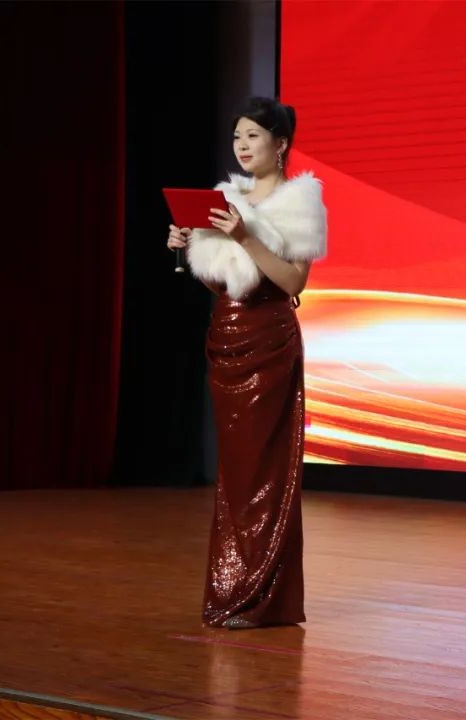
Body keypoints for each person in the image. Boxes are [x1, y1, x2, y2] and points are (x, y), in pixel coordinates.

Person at [166, 96, 326, 629]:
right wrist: (185, 245)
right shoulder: (225, 196)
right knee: (235, 470)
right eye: (238, 135)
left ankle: (263, 598)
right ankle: (235, 589)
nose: (242, 145)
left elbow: (293, 281)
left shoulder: (301, 201)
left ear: (281, 144)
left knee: (266, 469)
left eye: (254, 135)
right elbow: (222, 282)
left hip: (269, 341)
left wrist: (244, 236)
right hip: (226, 339)